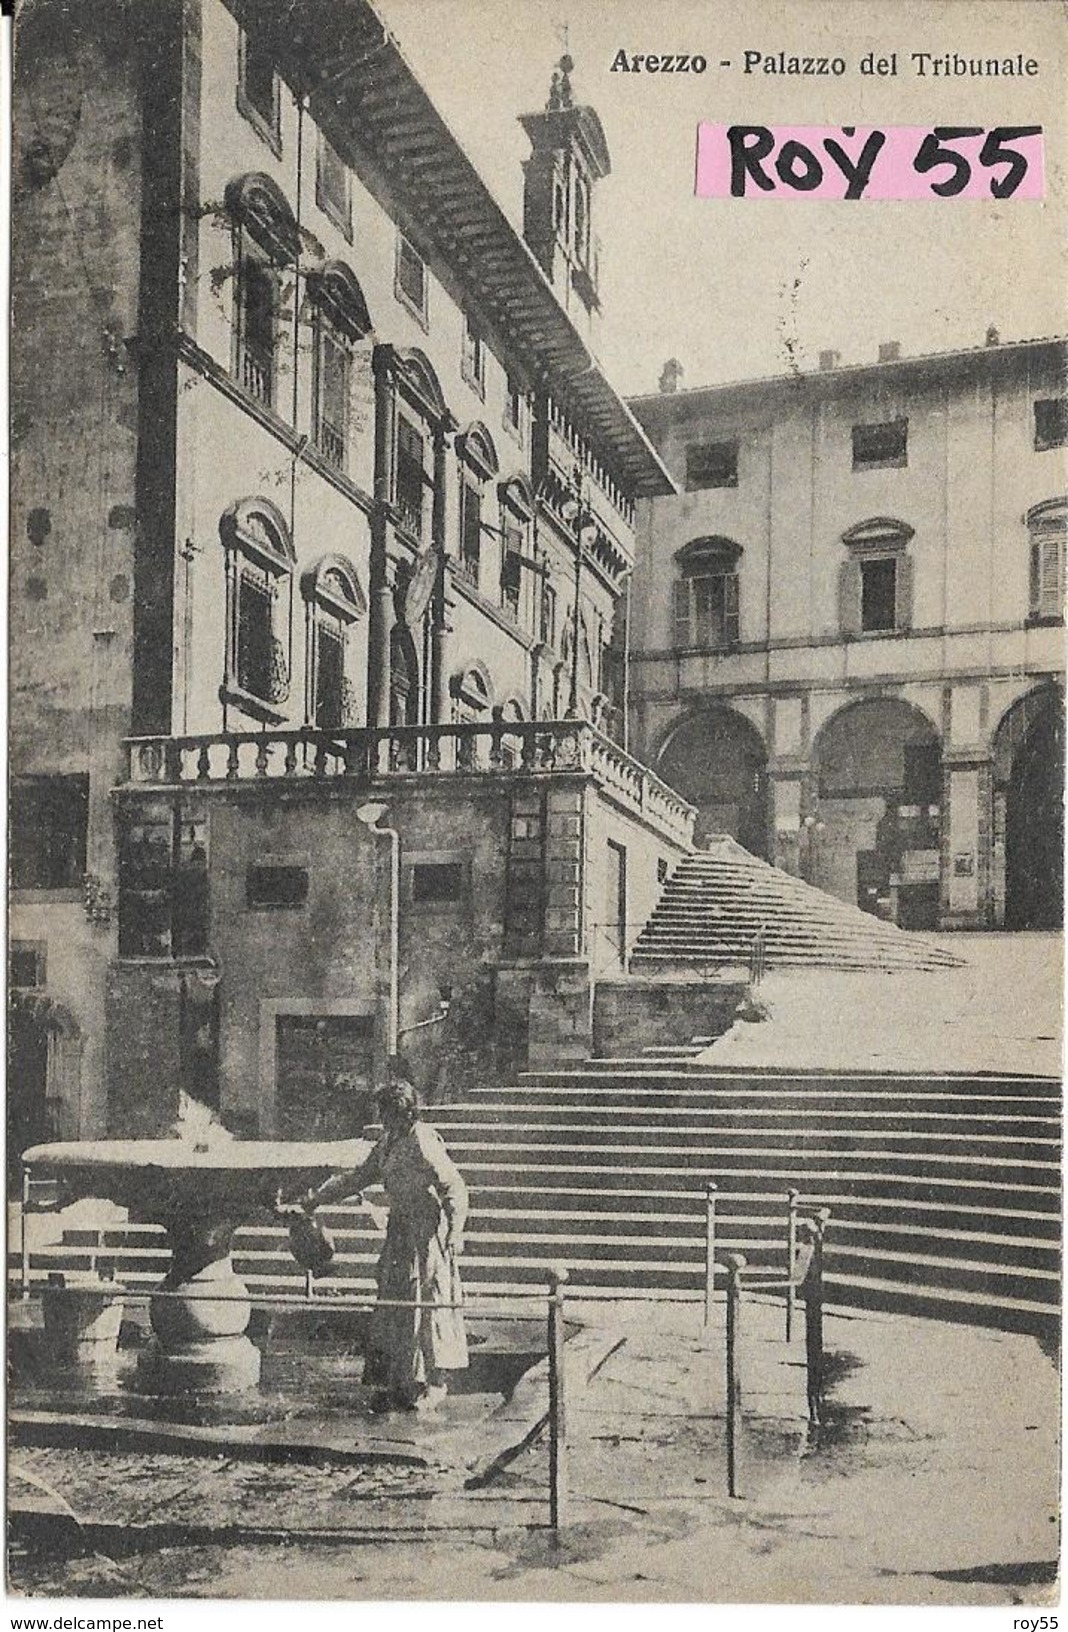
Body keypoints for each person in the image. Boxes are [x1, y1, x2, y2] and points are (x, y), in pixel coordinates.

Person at [298, 1079, 469, 1412]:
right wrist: (315, 1199)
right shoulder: (389, 1141)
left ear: (404, 1112)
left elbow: (455, 1188)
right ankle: (398, 1380)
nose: (383, 1118)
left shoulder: (422, 1140)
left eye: (388, 1112)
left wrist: (456, 1232)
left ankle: (432, 1383)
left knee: (424, 1299)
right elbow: (360, 1177)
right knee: (394, 1300)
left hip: (425, 1229)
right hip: (400, 1228)